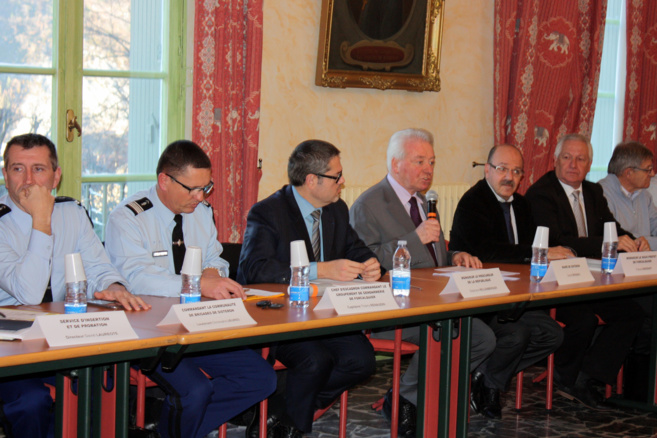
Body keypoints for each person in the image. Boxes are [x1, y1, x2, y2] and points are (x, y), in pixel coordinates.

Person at [105, 140, 275, 438]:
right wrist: (198, 284)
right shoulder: (128, 217)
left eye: (206, 187)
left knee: (261, 378)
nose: (200, 196)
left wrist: (213, 272)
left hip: (198, 325)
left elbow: (215, 258)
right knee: (195, 391)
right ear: (164, 181)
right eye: (193, 189)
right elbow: (136, 279)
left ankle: (174, 429)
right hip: (149, 332)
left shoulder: (201, 211)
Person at [0, 133, 150, 438]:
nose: (28, 180)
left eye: (39, 169)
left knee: (103, 385)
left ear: (56, 176)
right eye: (17, 169)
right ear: (5, 175)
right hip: (9, 348)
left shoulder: (72, 213)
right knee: (32, 402)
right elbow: (28, 293)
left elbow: (98, 268)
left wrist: (114, 286)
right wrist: (41, 219)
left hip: (61, 337)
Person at [349, 128, 493, 431]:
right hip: (393, 310)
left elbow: (433, 255)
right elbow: (365, 265)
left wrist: (454, 256)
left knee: (482, 338)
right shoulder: (368, 205)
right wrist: (414, 238)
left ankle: (405, 396)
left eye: (432, 162)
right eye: (420, 161)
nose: (428, 169)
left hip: (435, 304)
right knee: (443, 335)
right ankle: (412, 400)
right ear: (395, 164)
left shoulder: (425, 201)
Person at [238, 139, 378, 438]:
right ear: (312, 180)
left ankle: (283, 411)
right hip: (283, 317)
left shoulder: (336, 209)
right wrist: (319, 270)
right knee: (315, 361)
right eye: (336, 176)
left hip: (326, 313)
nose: (342, 181)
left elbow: (355, 248)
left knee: (362, 361)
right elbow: (254, 269)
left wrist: (370, 263)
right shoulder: (268, 212)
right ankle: (293, 427)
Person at [525, 133, 645, 408]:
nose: (573, 164)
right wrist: (608, 243)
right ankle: (566, 377)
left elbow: (611, 228)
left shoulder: (592, 192)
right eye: (567, 157)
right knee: (585, 320)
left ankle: (587, 375)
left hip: (591, 280)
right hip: (554, 283)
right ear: (555, 160)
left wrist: (633, 240)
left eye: (580, 159)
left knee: (632, 314)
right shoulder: (541, 193)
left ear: (589, 164)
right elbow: (557, 240)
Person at [449, 144, 566, 417]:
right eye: (502, 169)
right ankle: (491, 385)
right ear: (487, 170)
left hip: (515, 297)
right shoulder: (473, 202)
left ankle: (485, 376)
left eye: (516, 171)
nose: (509, 177)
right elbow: (487, 251)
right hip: (482, 301)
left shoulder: (522, 205)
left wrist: (556, 252)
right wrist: (537, 253)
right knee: (517, 334)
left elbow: (535, 244)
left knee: (552, 334)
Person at [598, 141, 656, 250]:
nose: (652, 174)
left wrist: (646, 242)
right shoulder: (601, 194)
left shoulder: (644, 195)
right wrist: (641, 243)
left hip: (643, 259)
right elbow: (613, 239)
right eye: (648, 170)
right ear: (628, 173)